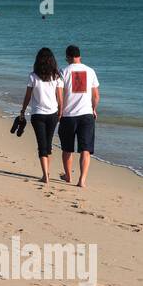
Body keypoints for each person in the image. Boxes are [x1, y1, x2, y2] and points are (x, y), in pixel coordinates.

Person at [59, 45, 100, 187]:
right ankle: (82, 180)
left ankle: (68, 176)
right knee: (85, 149)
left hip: (68, 115)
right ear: (79, 56)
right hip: (86, 114)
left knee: (67, 148)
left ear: (68, 57)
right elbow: (95, 95)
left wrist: (59, 110)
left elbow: (58, 94)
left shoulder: (63, 71)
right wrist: (94, 109)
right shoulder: (90, 71)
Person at [20, 48, 63, 183]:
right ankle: (46, 173)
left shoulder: (33, 76)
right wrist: (61, 112)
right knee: (48, 145)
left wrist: (22, 110)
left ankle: (45, 175)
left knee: (42, 144)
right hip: (53, 114)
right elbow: (60, 97)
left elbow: (28, 96)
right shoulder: (56, 77)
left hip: (37, 114)